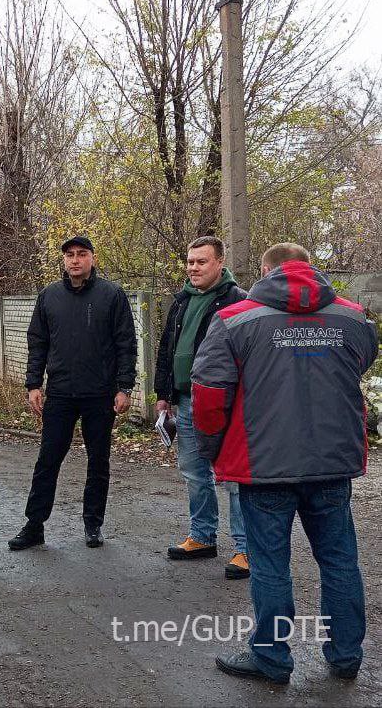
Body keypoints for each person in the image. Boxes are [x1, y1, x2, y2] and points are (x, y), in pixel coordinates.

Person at [192, 243, 377, 685]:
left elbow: (209, 393)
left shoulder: (234, 320)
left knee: (270, 564)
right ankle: (346, 654)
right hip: (332, 463)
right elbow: (361, 362)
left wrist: (212, 449)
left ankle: (272, 658)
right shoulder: (353, 318)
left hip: (264, 465)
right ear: (309, 269)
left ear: (265, 271)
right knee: (339, 560)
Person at [9, 236, 137, 551]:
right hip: (61, 393)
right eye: (69, 255)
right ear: (64, 260)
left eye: (81, 254)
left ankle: (93, 524)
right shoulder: (49, 296)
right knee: (48, 459)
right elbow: (37, 343)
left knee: (98, 461)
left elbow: (126, 344)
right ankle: (34, 525)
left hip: (100, 394)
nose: (75, 260)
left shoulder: (112, 295)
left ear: (92, 258)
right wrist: (33, 384)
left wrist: (124, 387)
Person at [154, 236, 250, 579]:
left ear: (220, 263)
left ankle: (246, 548)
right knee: (194, 471)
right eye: (190, 262)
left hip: (223, 403)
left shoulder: (237, 300)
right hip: (185, 400)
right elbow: (167, 349)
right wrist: (163, 393)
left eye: (201, 261)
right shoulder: (181, 301)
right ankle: (202, 536)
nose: (193, 268)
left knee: (233, 476)